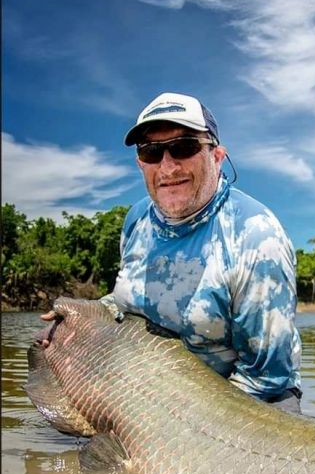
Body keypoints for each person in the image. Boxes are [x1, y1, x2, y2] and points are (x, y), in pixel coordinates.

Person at [61, 92, 302, 412]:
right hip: (147, 388)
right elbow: (124, 301)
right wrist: (81, 317)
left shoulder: (257, 238)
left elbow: (266, 375)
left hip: (249, 400)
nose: (168, 166)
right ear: (140, 163)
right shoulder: (137, 219)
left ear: (216, 156)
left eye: (184, 147)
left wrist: (174, 420)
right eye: (151, 152)